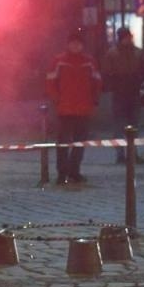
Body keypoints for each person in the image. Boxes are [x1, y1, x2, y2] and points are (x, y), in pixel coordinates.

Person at [44, 28, 101, 185]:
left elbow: (97, 81)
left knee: (79, 143)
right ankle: (62, 173)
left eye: (78, 44)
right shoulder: (59, 61)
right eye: (73, 44)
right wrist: (57, 99)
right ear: (68, 45)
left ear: (82, 45)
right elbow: (50, 83)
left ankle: (74, 171)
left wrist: (94, 99)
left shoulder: (89, 62)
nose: (75, 46)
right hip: (65, 108)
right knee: (63, 142)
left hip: (83, 108)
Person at [101, 27, 144, 164]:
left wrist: (140, 80)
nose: (128, 39)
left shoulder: (136, 53)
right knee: (121, 125)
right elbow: (106, 73)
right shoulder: (115, 54)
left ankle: (131, 153)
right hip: (121, 93)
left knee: (132, 125)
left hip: (131, 92)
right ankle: (121, 154)